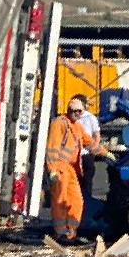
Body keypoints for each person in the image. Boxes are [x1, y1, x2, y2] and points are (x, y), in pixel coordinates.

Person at [46, 97, 115, 243]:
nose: (76, 114)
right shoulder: (59, 124)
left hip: (71, 169)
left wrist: (106, 153)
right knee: (60, 200)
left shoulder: (76, 126)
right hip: (60, 168)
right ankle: (61, 233)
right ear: (68, 110)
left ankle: (71, 232)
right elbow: (53, 148)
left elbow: (89, 143)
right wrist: (52, 169)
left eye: (79, 111)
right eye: (74, 111)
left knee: (76, 200)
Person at [71, 93, 101, 200]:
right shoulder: (71, 118)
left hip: (86, 154)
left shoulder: (90, 118)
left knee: (87, 180)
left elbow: (97, 135)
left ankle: (87, 201)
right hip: (74, 155)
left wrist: (94, 148)